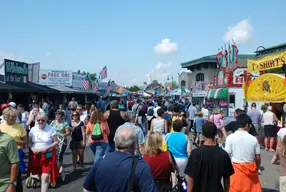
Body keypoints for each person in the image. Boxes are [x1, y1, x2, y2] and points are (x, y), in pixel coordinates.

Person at [83, 128, 157, 192]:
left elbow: (87, 188)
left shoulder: (100, 161)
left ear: (116, 142)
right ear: (134, 145)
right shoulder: (141, 166)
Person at [184, 122, 234, 192]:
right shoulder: (223, 154)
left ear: (202, 133)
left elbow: (191, 177)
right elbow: (226, 178)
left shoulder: (195, 153)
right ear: (216, 133)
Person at [225, 114, 262, 191]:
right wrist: (257, 168)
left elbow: (226, 155)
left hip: (236, 170)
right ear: (246, 125)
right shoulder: (253, 139)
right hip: (250, 169)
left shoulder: (230, 138)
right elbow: (258, 157)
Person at [27, 112, 59, 192]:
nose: (40, 122)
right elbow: (29, 142)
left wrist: (47, 148)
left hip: (47, 155)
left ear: (46, 120)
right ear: (36, 120)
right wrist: (33, 148)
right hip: (36, 155)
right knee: (40, 175)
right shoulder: (33, 129)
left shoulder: (51, 129)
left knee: (45, 176)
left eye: (42, 120)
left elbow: (56, 142)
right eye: (38, 120)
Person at [0, 107, 27, 192]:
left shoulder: (20, 126)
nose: (13, 118)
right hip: (3, 152)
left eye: (14, 116)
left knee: (17, 174)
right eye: (11, 116)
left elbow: (25, 141)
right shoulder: (1, 126)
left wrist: (16, 141)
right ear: (5, 117)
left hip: (16, 152)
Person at [50, 110, 71, 175]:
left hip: (62, 141)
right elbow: (49, 129)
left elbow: (68, 132)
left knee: (59, 155)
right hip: (54, 140)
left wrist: (63, 134)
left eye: (58, 115)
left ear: (62, 116)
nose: (57, 116)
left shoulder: (65, 123)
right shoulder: (53, 122)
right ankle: (54, 169)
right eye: (56, 115)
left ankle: (60, 168)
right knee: (53, 155)